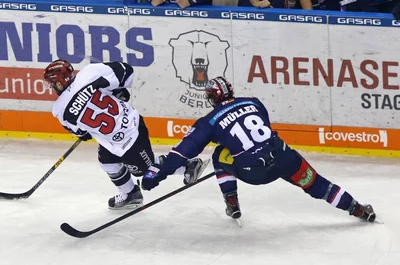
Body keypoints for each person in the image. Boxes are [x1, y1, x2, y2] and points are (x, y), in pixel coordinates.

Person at [141, 76, 377, 224]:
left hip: (253, 172)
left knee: (219, 156)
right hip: (283, 157)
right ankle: (357, 209)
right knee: (316, 184)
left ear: (212, 99)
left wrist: (158, 174)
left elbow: (182, 153)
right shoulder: (253, 102)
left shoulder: (209, 120)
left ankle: (231, 200)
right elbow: (262, 129)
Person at [43, 59, 206, 210]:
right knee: (108, 163)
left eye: (52, 84)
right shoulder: (90, 72)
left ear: (58, 81)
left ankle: (188, 167)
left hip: (132, 136)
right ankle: (131, 195)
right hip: (121, 132)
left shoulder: (60, 110)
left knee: (147, 169)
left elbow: (82, 134)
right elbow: (126, 71)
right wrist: (117, 90)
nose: (52, 87)